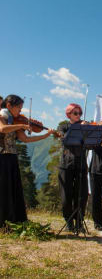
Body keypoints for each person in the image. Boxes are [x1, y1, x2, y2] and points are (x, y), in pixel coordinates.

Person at [0, 95, 53, 228]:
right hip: (2, 156)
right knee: (4, 190)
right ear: (9, 106)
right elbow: (2, 129)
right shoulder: (2, 116)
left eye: (21, 108)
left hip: (11, 156)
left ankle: (13, 220)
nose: (20, 111)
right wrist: (22, 125)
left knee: (13, 190)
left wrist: (44, 135)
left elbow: (25, 139)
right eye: (18, 107)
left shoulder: (14, 120)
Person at [57, 103, 89, 232]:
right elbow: (64, 139)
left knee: (81, 195)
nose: (78, 116)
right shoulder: (63, 126)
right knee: (66, 195)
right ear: (68, 114)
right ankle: (69, 221)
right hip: (66, 164)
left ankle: (79, 222)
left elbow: (92, 142)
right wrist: (76, 128)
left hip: (81, 163)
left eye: (80, 113)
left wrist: (86, 129)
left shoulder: (84, 126)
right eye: (75, 113)